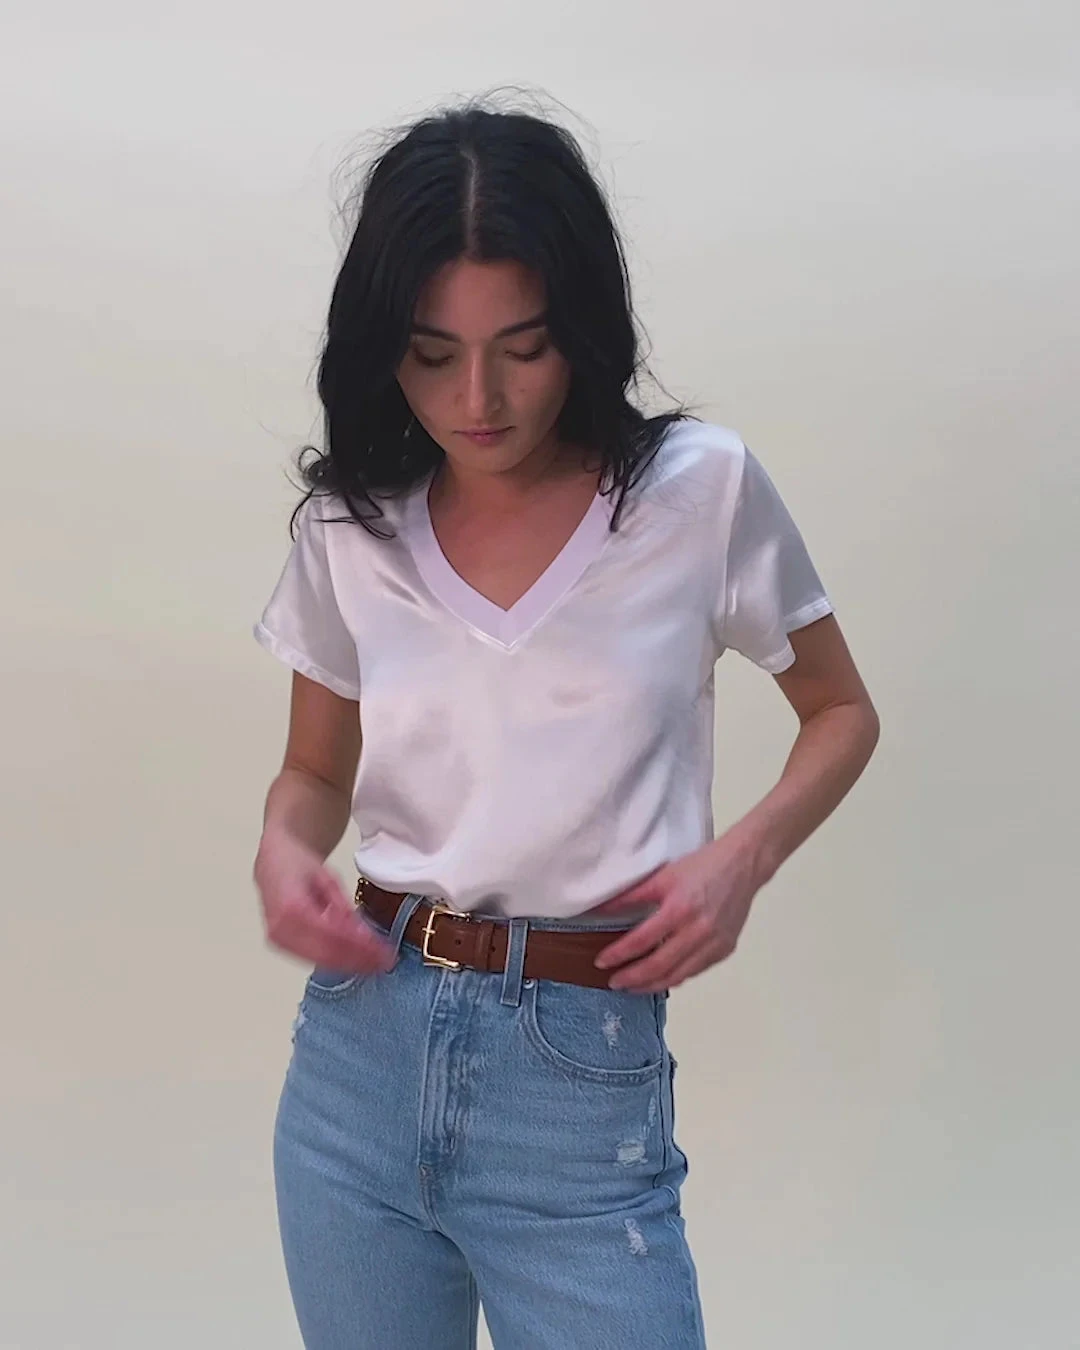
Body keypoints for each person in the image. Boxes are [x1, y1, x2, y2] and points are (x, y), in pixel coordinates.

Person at [251, 99, 880, 1350]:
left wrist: (740, 860)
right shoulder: (351, 528)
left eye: (523, 348)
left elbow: (841, 710)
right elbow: (313, 773)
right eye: (431, 353)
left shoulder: (697, 494)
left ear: (581, 329)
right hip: (357, 1057)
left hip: (577, 1070)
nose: (478, 397)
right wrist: (280, 850)